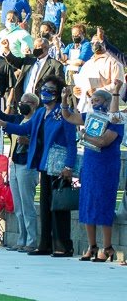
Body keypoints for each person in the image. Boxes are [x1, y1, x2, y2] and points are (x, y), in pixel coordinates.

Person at [0, 76, 78, 256]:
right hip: (44, 163)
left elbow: (72, 142)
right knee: (45, 205)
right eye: (44, 89)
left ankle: (63, 245)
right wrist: (5, 124)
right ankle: (45, 244)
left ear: (58, 94)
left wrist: (69, 166)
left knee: (59, 206)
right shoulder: (40, 113)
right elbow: (25, 129)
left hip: (59, 165)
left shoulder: (64, 112)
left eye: (50, 90)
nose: (45, 93)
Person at [62, 88, 121, 262]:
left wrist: (84, 136)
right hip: (89, 164)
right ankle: (92, 245)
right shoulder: (89, 116)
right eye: (92, 100)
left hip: (106, 165)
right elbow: (69, 117)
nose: (93, 103)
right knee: (87, 202)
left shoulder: (116, 120)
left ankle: (108, 246)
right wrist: (65, 99)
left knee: (103, 202)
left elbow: (104, 141)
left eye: (97, 100)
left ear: (105, 102)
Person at [0, 91, 39, 252]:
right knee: (19, 206)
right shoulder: (19, 119)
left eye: (25, 102)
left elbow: (41, 140)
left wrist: (29, 141)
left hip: (28, 165)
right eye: (21, 101)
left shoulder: (36, 121)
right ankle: (22, 238)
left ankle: (32, 240)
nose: (22, 104)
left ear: (33, 105)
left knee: (27, 205)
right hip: (15, 163)